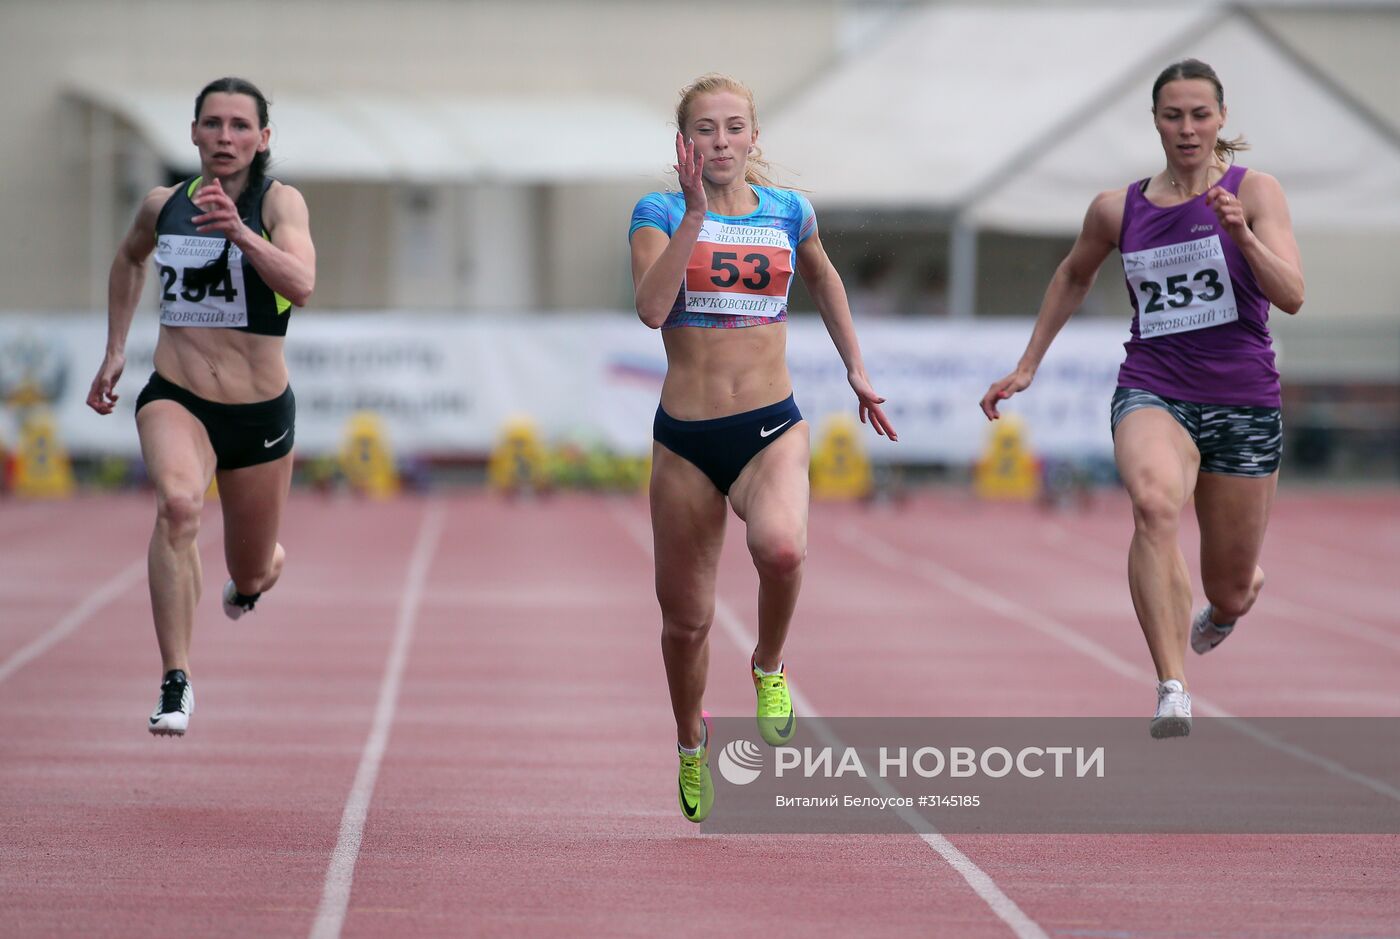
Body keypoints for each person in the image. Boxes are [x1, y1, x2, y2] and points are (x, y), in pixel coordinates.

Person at [980, 59, 1303, 738]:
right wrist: (1028, 364)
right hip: (1155, 386)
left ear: (1221, 119)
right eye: (1172, 115)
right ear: (1155, 120)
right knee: (1154, 503)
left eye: (1200, 115)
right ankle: (1172, 684)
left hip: (1244, 401)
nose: (1187, 128)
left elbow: (1292, 295)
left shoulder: (1257, 191)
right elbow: (1072, 275)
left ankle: (1228, 602)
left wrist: (1241, 233)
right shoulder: (1117, 208)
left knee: (1230, 586)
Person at [629, 74, 897, 821]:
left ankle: (769, 663)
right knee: (686, 623)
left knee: (781, 550)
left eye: (734, 128)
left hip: (769, 426)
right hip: (685, 441)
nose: (721, 142)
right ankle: (690, 740)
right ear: (684, 144)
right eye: (705, 130)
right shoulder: (655, 213)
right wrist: (691, 216)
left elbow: (825, 279)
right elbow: (652, 309)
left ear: (754, 138)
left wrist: (857, 368)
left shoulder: (788, 211)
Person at [86, 77, 316, 736]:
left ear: (262, 139)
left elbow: (301, 285)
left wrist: (240, 233)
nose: (225, 136)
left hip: (259, 413)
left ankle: (250, 582)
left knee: (253, 566)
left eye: (240, 125)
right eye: (212, 124)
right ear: (192, 134)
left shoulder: (280, 204)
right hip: (177, 393)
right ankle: (176, 679)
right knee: (179, 505)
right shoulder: (162, 206)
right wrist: (114, 349)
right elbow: (129, 261)